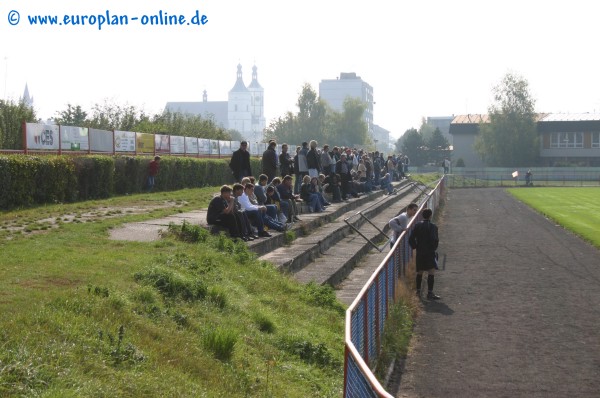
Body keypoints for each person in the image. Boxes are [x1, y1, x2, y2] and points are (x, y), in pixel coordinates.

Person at [408, 208, 440, 300]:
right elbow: (436, 240)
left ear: (422, 215)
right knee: (431, 271)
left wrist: (415, 247)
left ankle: (418, 291)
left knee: (420, 271)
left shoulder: (417, 225)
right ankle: (430, 293)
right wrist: (433, 248)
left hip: (420, 252)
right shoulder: (433, 226)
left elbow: (411, 238)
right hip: (430, 252)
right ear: (430, 215)